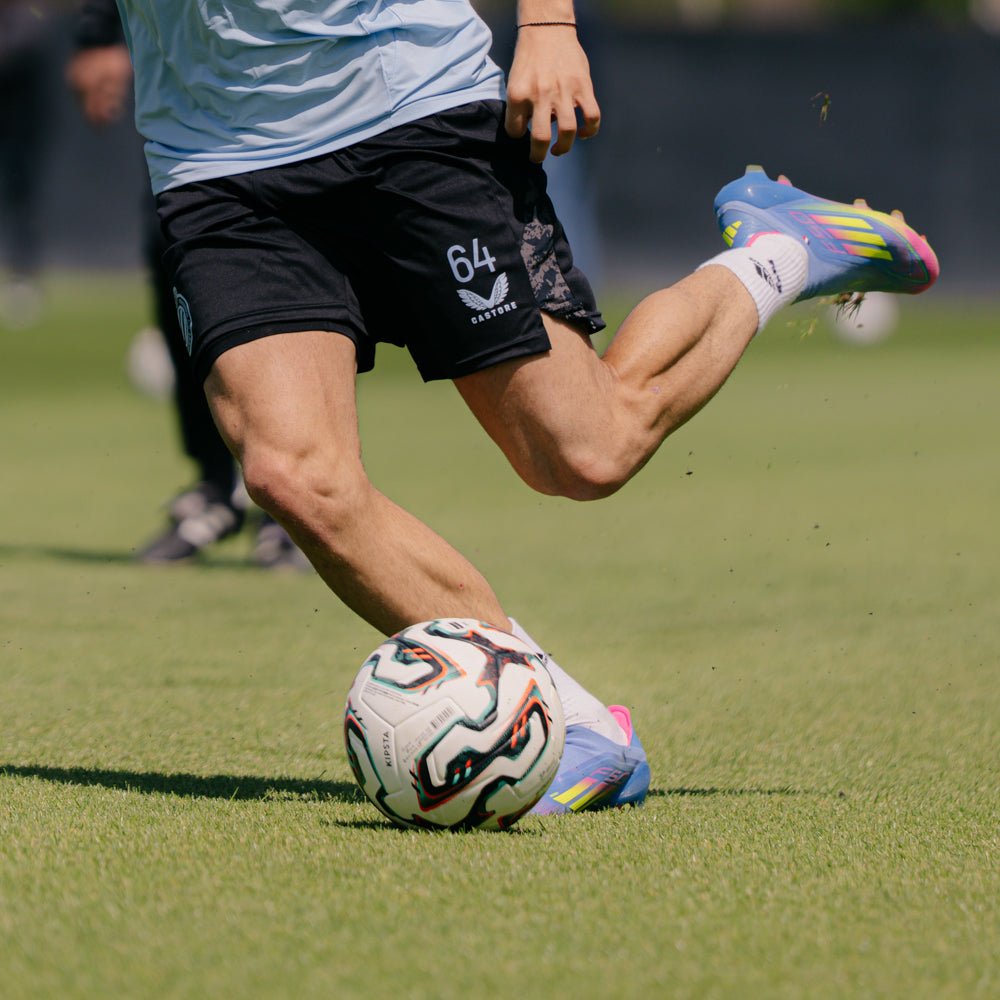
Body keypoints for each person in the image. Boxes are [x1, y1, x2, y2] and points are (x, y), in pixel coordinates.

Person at [110, 0, 938, 814]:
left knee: (587, 451)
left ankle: (781, 249)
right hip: (213, 160)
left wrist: (547, 23)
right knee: (293, 476)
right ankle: (571, 723)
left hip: (407, 105)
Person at [67, 0, 308, 569]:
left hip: (306, 73)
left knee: (304, 280)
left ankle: (296, 498)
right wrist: (100, 29)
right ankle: (216, 483)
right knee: (178, 265)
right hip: (187, 77)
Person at [0, 0, 55, 328]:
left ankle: (23, 276)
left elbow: (22, 48)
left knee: (21, 198)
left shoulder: (25, 19)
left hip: (19, 130)